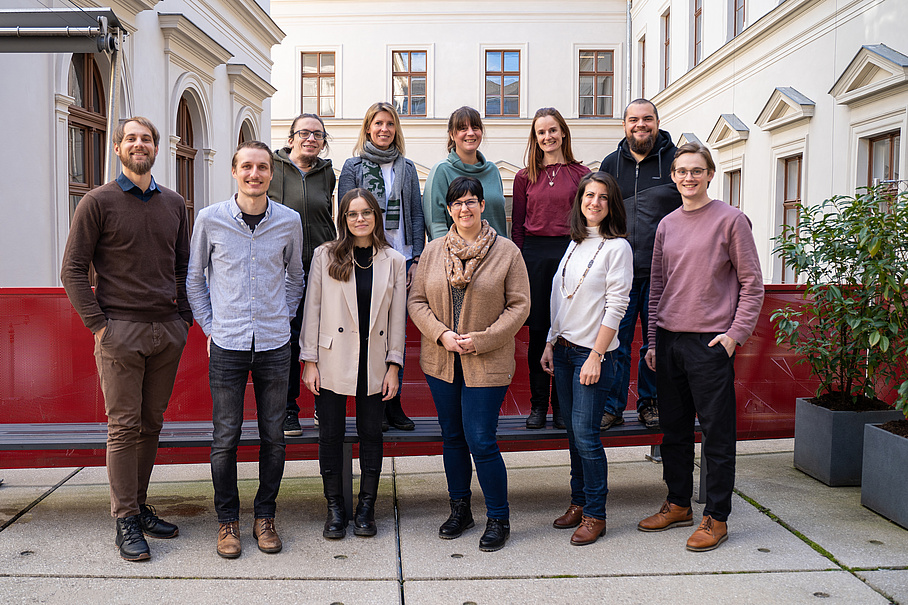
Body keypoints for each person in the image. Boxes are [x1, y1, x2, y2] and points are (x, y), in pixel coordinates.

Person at [61, 117, 191, 561]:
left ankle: (137, 507)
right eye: (131, 138)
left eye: (147, 139)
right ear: (117, 148)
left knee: (151, 425)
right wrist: (99, 325)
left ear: (157, 148)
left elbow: (182, 269)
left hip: (166, 331)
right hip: (119, 331)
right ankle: (125, 519)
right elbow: (73, 269)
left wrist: (184, 321)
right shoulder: (97, 202)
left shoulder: (174, 203)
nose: (140, 144)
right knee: (123, 427)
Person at [638, 142, 763, 552]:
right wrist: (654, 341)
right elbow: (656, 287)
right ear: (673, 177)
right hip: (670, 341)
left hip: (710, 344)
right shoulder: (667, 225)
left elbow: (752, 285)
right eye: (681, 171)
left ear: (710, 174)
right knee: (672, 431)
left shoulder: (731, 221)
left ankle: (716, 516)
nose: (688, 177)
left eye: (696, 170)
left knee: (716, 434)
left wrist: (733, 337)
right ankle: (678, 504)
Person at [187, 141, 304, 559]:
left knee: (274, 436)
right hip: (228, 345)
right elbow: (194, 280)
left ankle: (265, 517)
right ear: (234, 172)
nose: (255, 174)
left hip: (274, 344)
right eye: (247, 167)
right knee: (226, 437)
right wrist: (212, 327)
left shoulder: (289, 221)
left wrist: (283, 318)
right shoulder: (210, 220)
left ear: (271, 174)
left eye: (262, 168)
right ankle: (227, 522)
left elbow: (295, 278)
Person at [408, 176, 530, 552]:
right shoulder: (432, 252)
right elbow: (416, 302)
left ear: (482, 205)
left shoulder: (507, 252)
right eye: (457, 203)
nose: (465, 208)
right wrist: (441, 334)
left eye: (471, 201)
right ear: (448, 209)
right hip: (441, 360)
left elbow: (520, 305)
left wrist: (482, 340)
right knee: (453, 437)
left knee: (481, 439)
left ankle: (498, 517)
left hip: (487, 360)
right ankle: (460, 508)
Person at [301, 189, 407, 540]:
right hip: (332, 359)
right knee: (329, 436)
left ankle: (366, 508)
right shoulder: (325, 255)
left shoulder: (393, 260)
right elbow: (312, 309)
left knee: (371, 435)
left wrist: (395, 365)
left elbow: (396, 319)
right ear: (342, 219)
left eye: (366, 213)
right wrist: (310, 360)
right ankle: (334, 508)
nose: (359, 219)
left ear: (376, 216)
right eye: (351, 214)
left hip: (374, 360)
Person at [541, 172, 632, 546]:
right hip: (563, 351)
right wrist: (550, 340)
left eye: (603, 197)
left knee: (586, 436)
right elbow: (562, 297)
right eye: (588, 195)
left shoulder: (617, 248)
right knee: (573, 436)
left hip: (591, 356)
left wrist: (596, 354)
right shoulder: (576, 244)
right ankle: (578, 503)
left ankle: (596, 514)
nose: (594, 202)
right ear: (580, 200)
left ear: (612, 205)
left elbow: (617, 306)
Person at [338, 102, 424, 432]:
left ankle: (394, 402)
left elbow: (415, 213)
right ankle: (373, 405)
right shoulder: (353, 166)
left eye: (390, 124)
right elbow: (345, 215)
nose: (384, 129)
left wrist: (416, 257)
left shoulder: (406, 166)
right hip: (365, 259)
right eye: (378, 123)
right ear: (368, 128)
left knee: (395, 333)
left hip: (400, 259)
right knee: (369, 333)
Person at [598, 99, 682, 430]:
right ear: (624, 125)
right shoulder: (610, 163)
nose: (640, 125)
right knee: (614, 341)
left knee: (656, 344)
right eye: (634, 119)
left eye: (647, 119)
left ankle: (650, 402)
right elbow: (598, 211)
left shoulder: (675, 160)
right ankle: (612, 405)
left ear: (657, 122)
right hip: (620, 273)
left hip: (662, 272)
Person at [512, 107, 591, 430]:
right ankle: (538, 405)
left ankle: (562, 406)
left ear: (563, 134)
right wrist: (518, 264)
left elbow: (588, 219)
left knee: (567, 334)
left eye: (553, 130)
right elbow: (517, 226)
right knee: (539, 333)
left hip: (570, 253)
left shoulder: (581, 173)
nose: (548, 137)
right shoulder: (523, 177)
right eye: (541, 132)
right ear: (536, 137)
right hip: (534, 257)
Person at [268, 113, 337, 437]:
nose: (311, 138)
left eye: (318, 134)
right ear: (291, 137)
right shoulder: (271, 168)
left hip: (324, 268)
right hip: (283, 270)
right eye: (304, 133)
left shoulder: (328, 173)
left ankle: (324, 407)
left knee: (325, 339)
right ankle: (288, 410)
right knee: (290, 340)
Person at [423, 106, 508, 240]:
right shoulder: (441, 171)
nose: (470, 133)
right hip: (457, 256)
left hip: (496, 255)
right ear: (452, 134)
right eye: (463, 128)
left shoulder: (493, 171)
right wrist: (449, 255)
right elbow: (436, 224)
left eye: (475, 128)